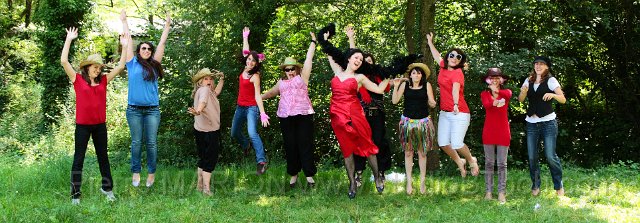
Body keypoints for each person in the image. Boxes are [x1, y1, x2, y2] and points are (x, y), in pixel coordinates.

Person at [317, 23, 391, 199]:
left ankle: (377, 177)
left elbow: (379, 90)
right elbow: (330, 53)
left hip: (355, 114)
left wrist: (387, 77)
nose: (359, 60)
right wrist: (325, 40)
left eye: (361, 59)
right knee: (347, 149)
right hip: (337, 115)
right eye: (356, 58)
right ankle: (352, 182)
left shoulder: (360, 77)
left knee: (367, 144)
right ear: (349, 58)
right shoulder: (337, 71)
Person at [61, 27, 129, 204]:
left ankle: (107, 189)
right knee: (79, 159)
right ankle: (75, 194)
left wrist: (125, 45)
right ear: (87, 68)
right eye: (95, 67)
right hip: (82, 126)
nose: (98, 70)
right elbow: (64, 61)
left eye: (99, 68)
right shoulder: (77, 79)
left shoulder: (104, 80)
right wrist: (69, 39)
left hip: (100, 126)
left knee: (103, 157)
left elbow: (121, 66)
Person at [121, 10, 171, 187]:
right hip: (133, 110)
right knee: (136, 143)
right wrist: (124, 21)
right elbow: (127, 38)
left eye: (149, 48)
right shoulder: (131, 62)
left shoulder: (155, 65)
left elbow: (162, 43)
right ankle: (136, 172)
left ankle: (151, 173)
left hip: (152, 110)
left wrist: (167, 25)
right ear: (138, 50)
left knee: (151, 143)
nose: (147, 50)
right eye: (144, 48)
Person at [262, 32, 318, 188]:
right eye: (287, 69)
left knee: (305, 144)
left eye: (292, 68)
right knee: (290, 145)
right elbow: (270, 93)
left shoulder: (302, 78)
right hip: (286, 118)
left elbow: (308, 60)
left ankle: (309, 176)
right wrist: (256, 97)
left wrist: (313, 42)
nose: (290, 71)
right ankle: (293, 175)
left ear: (297, 69)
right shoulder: (281, 83)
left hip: (303, 116)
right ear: (284, 71)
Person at [344, 26, 392, 187]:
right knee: (358, 143)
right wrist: (351, 38)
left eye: (371, 61)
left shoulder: (379, 77)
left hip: (377, 115)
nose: (368, 63)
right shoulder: (357, 78)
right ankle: (358, 174)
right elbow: (353, 55)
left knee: (378, 142)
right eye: (366, 61)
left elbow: (385, 88)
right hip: (360, 115)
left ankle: (380, 173)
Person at [426, 32, 479, 177]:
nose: (454, 58)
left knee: (456, 143)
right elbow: (437, 56)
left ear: (460, 61)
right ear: (448, 57)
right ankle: (459, 161)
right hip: (445, 113)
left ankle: (471, 159)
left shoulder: (458, 73)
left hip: (459, 112)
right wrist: (430, 42)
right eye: (452, 55)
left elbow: (456, 89)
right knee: (443, 143)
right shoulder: (443, 67)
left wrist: (455, 104)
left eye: (458, 57)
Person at [518, 56, 566, 197]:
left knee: (550, 156)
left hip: (548, 123)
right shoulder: (528, 80)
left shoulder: (551, 80)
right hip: (531, 123)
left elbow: (562, 99)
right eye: (536, 64)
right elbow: (520, 99)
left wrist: (552, 94)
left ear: (546, 67)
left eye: (541, 64)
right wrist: (523, 92)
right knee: (532, 157)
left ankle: (558, 186)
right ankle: (536, 185)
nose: (538, 66)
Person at [391, 63, 437, 195]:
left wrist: (432, 102)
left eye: (419, 73)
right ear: (410, 75)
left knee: (422, 153)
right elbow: (395, 101)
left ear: (422, 75)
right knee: (408, 153)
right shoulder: (405, 85)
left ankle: (422, 183)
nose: (416, 75)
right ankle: (409, 182)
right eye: (414, 73)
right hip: (407, 123)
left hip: (423, 123)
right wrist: (395, 86)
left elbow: (432, 102)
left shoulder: (427, 86)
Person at [231, 27, 270, 175]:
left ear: (256, 63)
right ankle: (246, 145)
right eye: (249, 59)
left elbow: (258, 96)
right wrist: (245, 38)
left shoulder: (255, 76)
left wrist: (262, 113)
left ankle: (261, 162)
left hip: (251, 108)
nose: (250, 62)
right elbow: (245, 51)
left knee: (252, 132)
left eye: (253, 61)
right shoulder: (244, 69)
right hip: (240, 107)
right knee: (234, 132)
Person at [188, 68, 224, 196]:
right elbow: (203, 102)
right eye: (206, 79)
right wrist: (198, 110)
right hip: (209, 131)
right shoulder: (204, 91)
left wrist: (222, 79)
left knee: (203, 158)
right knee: (210, 159)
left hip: (200, 130)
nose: (209, 81)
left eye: (210, 78)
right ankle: (206, 189)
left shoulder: (209, 92)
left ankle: (199, 186)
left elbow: (217, 91)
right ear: (200, 82)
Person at [480, 68, 512, 203]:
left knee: (502, 164)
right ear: (488, 80)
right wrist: (493, 97)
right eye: (492, 78)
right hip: (489, 132)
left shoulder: (506, 93)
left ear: (501, 80)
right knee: (489, 163)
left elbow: (507, 95)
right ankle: (488, 191)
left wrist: (496, 91)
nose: (494, 80)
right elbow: (487, 105)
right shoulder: (484, 94)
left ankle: (501, 192)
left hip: (503, 132)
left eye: (497, 77)